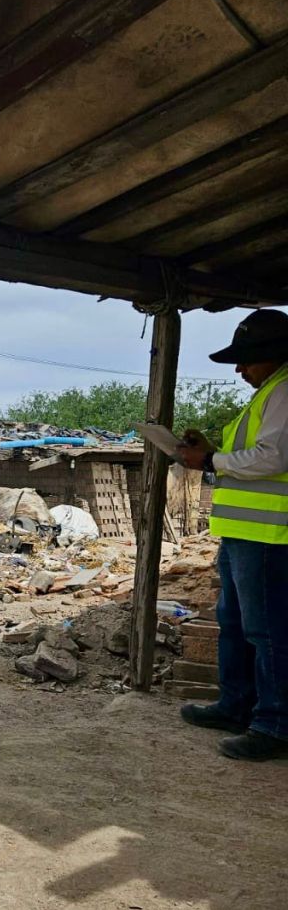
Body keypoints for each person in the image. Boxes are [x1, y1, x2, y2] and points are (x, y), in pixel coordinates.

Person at [176, 308, 288, 762]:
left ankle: (275, 725)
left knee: (267, 632)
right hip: (245, 534)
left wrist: (211, 462)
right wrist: (214, 455)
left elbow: (273, 457)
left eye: (246, 360)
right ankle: (237, 704)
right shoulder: (270, 393)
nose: (239, 370)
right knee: (237, 624)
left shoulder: (283, 391)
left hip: (269, 536)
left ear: (273, 354)